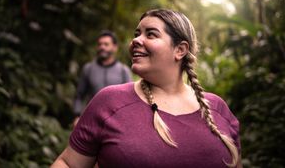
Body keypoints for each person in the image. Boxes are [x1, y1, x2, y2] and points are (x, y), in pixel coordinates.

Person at [52, 9, 241, 168]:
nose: (136, 41)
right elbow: (68, 163)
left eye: (150, 34)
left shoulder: (218, 108)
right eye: (136, 34)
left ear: (180, 50)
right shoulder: (109, 100)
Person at [72, 30, 132, 126]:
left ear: (115, 47)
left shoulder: (123, 71)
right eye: (100, 44)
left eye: (106, 44)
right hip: (91, 121)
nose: (102, 47)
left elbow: (130, 100)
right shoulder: (88, 69)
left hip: (116, 123)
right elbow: (79, 95)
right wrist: (77, 115)